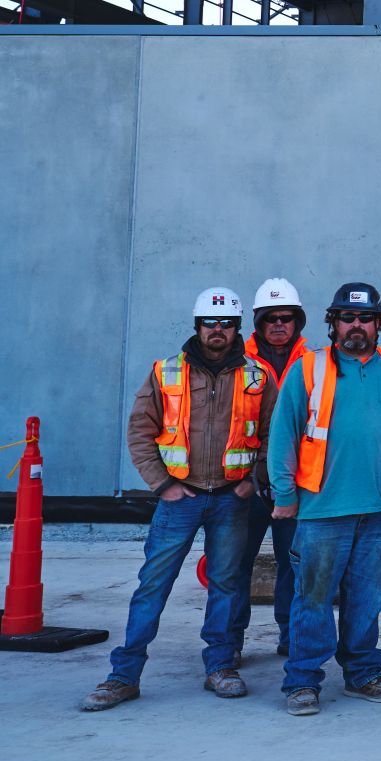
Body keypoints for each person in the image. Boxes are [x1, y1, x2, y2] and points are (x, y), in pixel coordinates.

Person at [82, 288, 276, 712]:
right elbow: (140, 431)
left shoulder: (258, 375)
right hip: (179, 499)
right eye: (211, 323)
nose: (218, 331)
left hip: (232, 499)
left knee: (226, 584)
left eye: (226, 324)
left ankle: (221, 667)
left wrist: (252, 481)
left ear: (238, 328)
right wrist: (161, 484)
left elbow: (273, 436)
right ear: (197, 326)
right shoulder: (165, 372)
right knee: (153, 585)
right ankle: (124, 675)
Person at [267, 283, 381, 717]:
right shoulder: (308, 368)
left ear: (379, 323)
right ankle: (302, 680)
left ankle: (360, 674)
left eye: (366, 318)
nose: (357, 326)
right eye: (348, 318)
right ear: (333, 323)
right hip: (323, 508)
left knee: (368, 597)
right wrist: (284, 493)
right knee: (312, 599)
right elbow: (283, 433)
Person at [232, 277, 308, 662]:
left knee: (292, 564)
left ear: (298, 322)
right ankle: (230, 643)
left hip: (295, 483)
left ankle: (290, 635)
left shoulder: (315, 363)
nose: (279, 325)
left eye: (287, 318)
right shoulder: (236, 364)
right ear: (258, 324)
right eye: (270, 319)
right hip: (246, 485)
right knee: (235, 567)